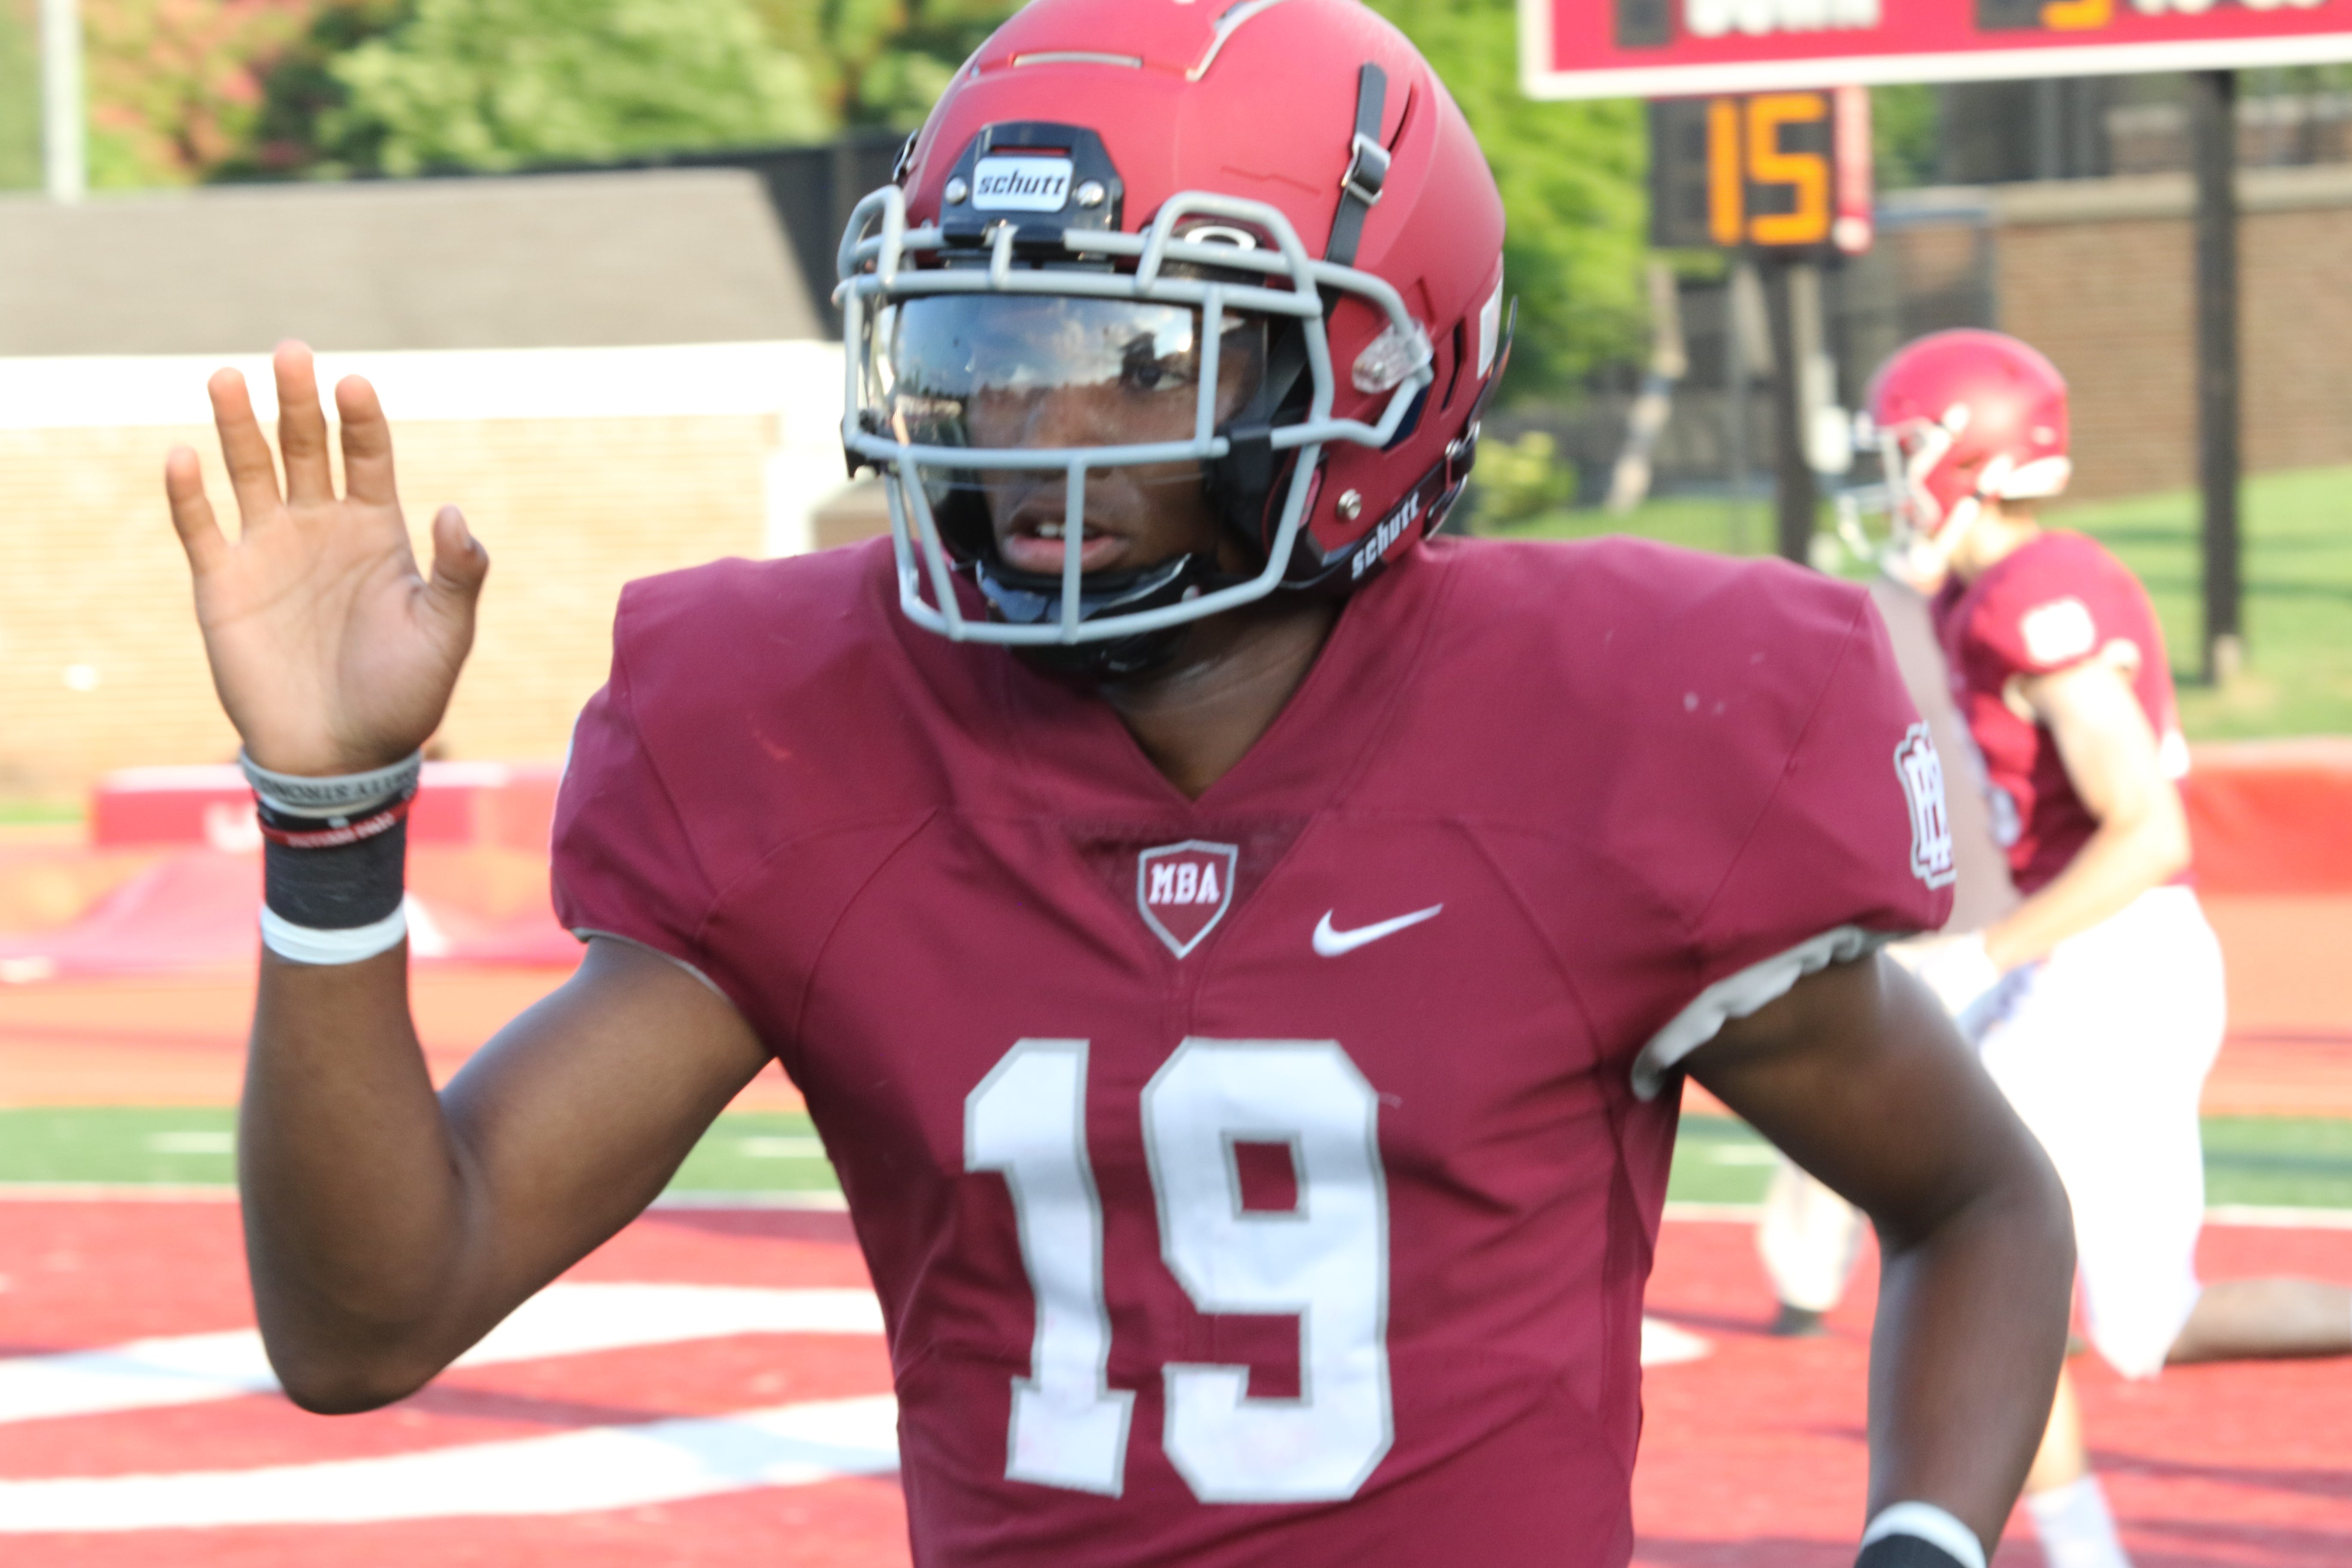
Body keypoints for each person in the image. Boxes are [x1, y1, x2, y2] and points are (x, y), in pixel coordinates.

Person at [160, 5, 2071, 1565]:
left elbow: (1977, 1202)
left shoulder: (1604, 735)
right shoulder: (814, 740)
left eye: (1129, 357)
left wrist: (1923, 1542)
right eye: (982, 347)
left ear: (1389, 371)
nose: (1024, 435)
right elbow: (366, 1325)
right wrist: (330, 816)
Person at [1769, 328, 2352, 1568]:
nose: (1886, 482)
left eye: (1901, 452)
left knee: (1977, 1231)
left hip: (2107, 961)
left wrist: (1985, 958)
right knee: (2142, 1320)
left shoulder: (2038, 595)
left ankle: (2075, 1551)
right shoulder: (1980, 593)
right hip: (2084, 959)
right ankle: (2078, 1545)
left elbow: (2147, 832)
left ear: (1965, 448)